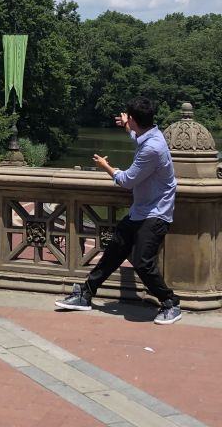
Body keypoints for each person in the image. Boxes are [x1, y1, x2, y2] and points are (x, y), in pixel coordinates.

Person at [55, 96, 181, 325]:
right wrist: (126, 125)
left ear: (134, 118)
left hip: (157, 212)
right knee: (114, 250)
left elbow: (127, 180)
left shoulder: (152, 147)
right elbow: (137, 137)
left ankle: (170, 302)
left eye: (128, 117)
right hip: (141, 210)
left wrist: (106, 167)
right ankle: (85, 294)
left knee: (142, 261)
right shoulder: (151, 134)